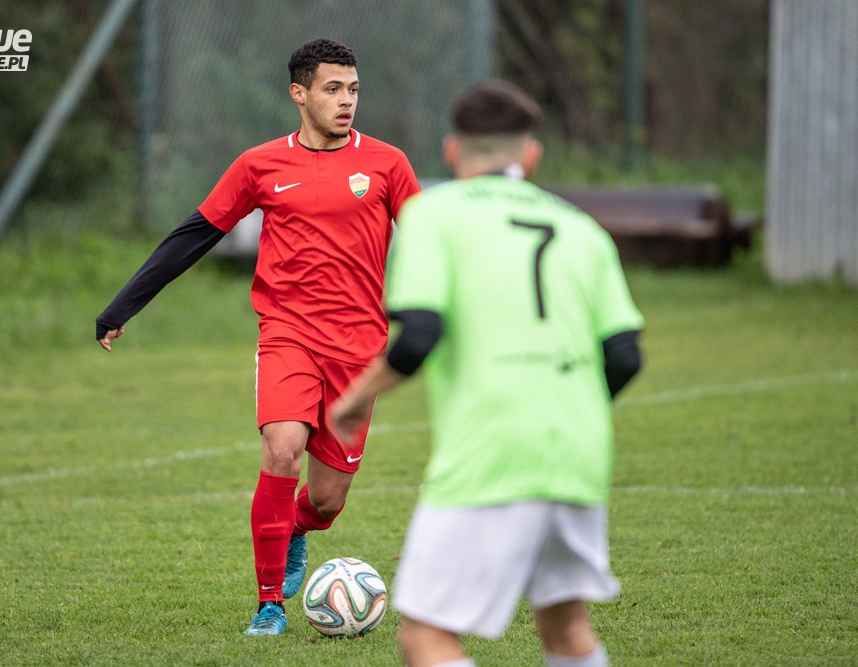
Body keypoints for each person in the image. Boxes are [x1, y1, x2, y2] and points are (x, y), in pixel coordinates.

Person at [95, 38, 420, 636]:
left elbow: (431, 242)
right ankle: (269, 604)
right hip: (287, 334)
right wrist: (124, 305)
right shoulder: (260, 165)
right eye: (332, 89)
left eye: (352, 90)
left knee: (327, 501)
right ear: (299, 94)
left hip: (359, 347)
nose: (346, 101)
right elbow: (196, 233)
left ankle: (296, 527)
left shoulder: (387, 164)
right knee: (281, 449)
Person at [330, 80, 643, 667]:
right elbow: (626, 355)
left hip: (491, 453)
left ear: (452, 151)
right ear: (532, 155)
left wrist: (353, 399)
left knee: (426, 638)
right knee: (565, 626)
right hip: (578, 453)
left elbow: (418, 336)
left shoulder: (434, 215)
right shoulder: (581, 227)